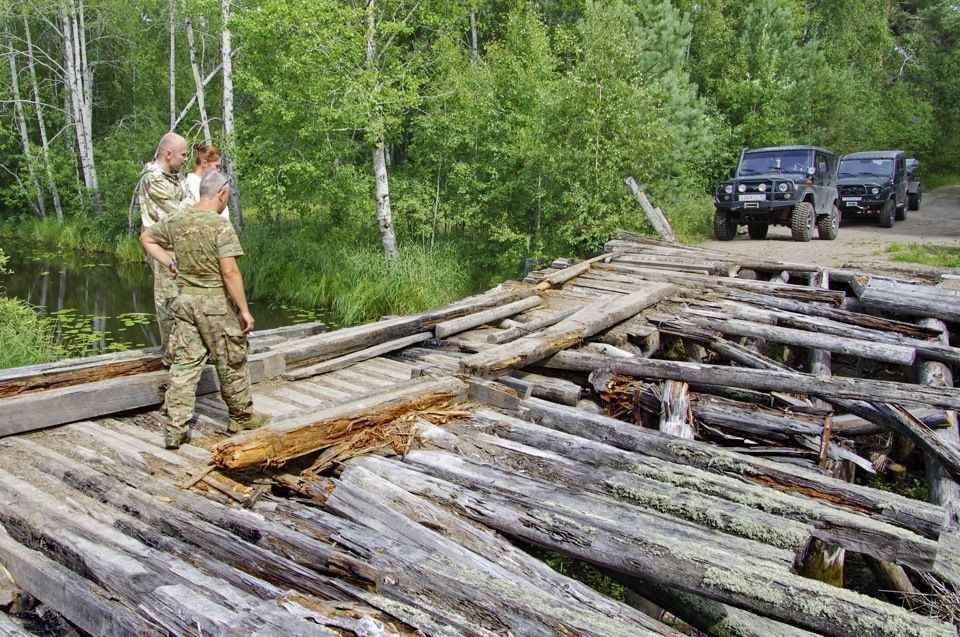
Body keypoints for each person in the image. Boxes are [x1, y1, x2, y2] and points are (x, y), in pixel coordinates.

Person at [139, 169, 268, 449]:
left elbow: (146, 238)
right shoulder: (220, 226)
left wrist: (169, 262)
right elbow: (230, 272)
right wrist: (244, 311)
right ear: (221, 193)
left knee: (184, 365)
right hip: (214, 305)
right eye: (228, 196)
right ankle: (241, 418)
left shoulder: (177, 219)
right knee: (232, 361)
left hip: (184, 303)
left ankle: (176, 429)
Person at [138, 132, 196, 365]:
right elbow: (180, 213)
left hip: (182, 246)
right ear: (168, 154)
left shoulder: (175, 175)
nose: (185, 159)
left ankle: (186, 352)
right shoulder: (153, 178)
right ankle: (171, 357)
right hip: (164, 250)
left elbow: (194, 203)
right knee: (168, 302)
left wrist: (185, 203)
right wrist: (184, 203)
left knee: (186, 300)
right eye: (183, 154)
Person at [186, 143, 230, 221]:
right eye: (216, 166)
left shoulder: (216, 184)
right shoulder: (188, 186)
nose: (218, 170)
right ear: (204, 163)